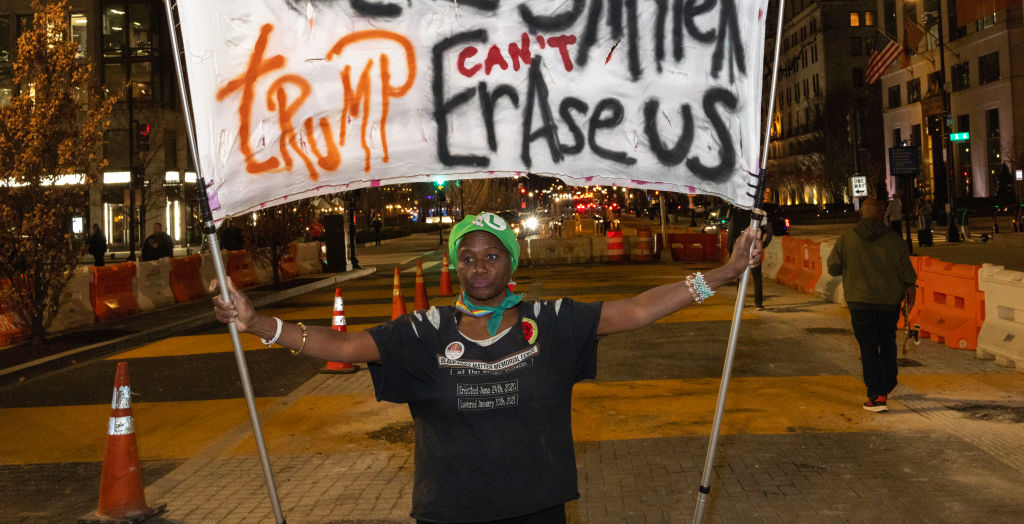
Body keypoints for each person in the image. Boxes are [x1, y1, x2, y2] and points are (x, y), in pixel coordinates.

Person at [212, 210, 763, 523]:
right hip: (450, 512)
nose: (479, 266)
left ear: (511, 262)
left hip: (536, 510)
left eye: (492, 255)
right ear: (456, 264)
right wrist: (258, 323)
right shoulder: (425, 331)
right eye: (468, 256)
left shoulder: (552, 321)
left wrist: (724, 273)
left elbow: (638, 308)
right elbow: (348, 347)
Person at [826, 198, 916, 413]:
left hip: (860, 302)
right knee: (887, 343)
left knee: (868, 347)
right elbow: (908, 277)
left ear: (862, 213)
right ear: (881, 213)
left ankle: (877, 395)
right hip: (888, 303)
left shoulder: (847, 239)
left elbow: (833, 267)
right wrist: (908, 304)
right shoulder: (895, 240)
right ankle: (887, 383)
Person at [727, 208, 774, 309]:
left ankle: (740, 302)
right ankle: (758, 303)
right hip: (754, 249)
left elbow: (731, 234)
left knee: (740, 277)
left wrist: (730, 251)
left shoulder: (736, 214)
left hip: (741, 250)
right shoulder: (758, 214)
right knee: (757, 278)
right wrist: (764, 244)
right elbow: (769, 229)